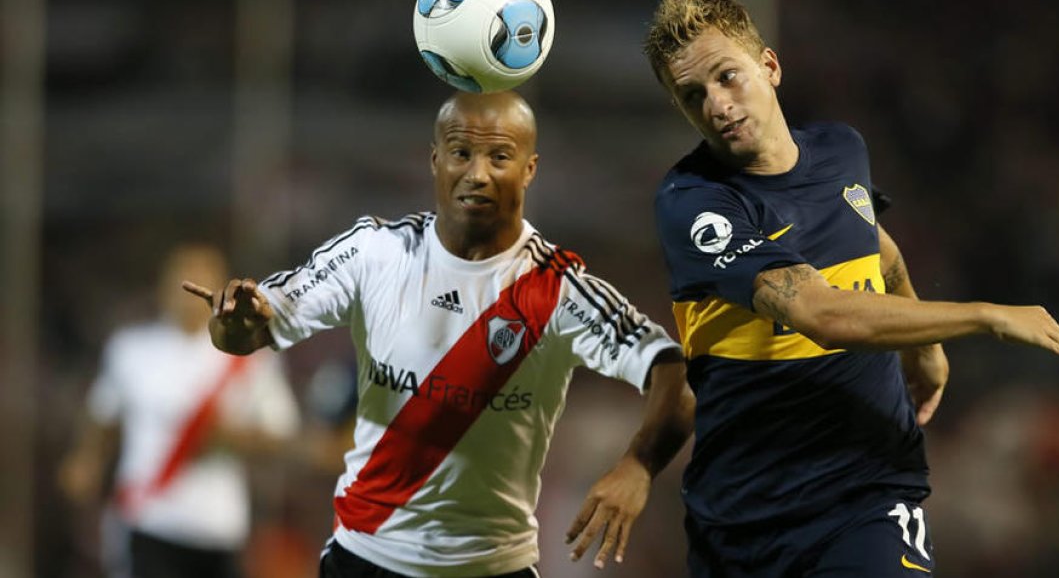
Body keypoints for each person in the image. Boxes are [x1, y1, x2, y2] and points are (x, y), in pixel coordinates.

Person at [642, 0, 1059, 578]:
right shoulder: (694, 204)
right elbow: (819, 314)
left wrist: (923, 346)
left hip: (867, 495)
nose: (718, 105)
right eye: (693, 95)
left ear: (770, 66)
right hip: (743, 522)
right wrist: (985, 315)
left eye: (727, 77)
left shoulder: (841, 149)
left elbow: (874, 244)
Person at [182, 90, 695, 578]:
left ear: (530, 169)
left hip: (490, 565)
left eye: (499, 157)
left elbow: (674, 376)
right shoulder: (375, 253)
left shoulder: (557, 289)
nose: (478, 174)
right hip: (365, 556)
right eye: (461, 153)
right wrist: (231, 323)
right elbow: (249, 330)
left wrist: (638, 465)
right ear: (435, 160)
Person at [59, 242, 302, 578]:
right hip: (149, 520)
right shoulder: (131, 349)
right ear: (162, 285)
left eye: (202, 277)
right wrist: (87, 460)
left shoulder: (250, 354)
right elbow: (103, 415)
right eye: (182, 278)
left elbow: (282, 433)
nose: (190, 290)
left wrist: (235, 439)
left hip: (219, 525)